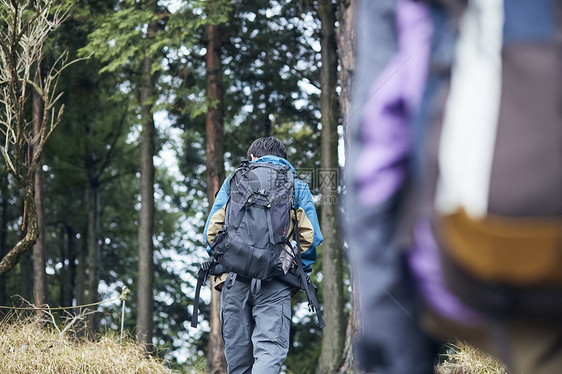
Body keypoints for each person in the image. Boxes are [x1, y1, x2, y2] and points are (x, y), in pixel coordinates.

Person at [203, 136, 323, 374]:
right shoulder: (296, 185)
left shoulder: (234, 180)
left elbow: (212, 233)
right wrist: (287, 267)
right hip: (275, 282)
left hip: (234, 279)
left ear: (252, 157)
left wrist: (229, 261)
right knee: (269, 352)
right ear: (284, 160)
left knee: (238, 359)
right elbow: (309, 239)